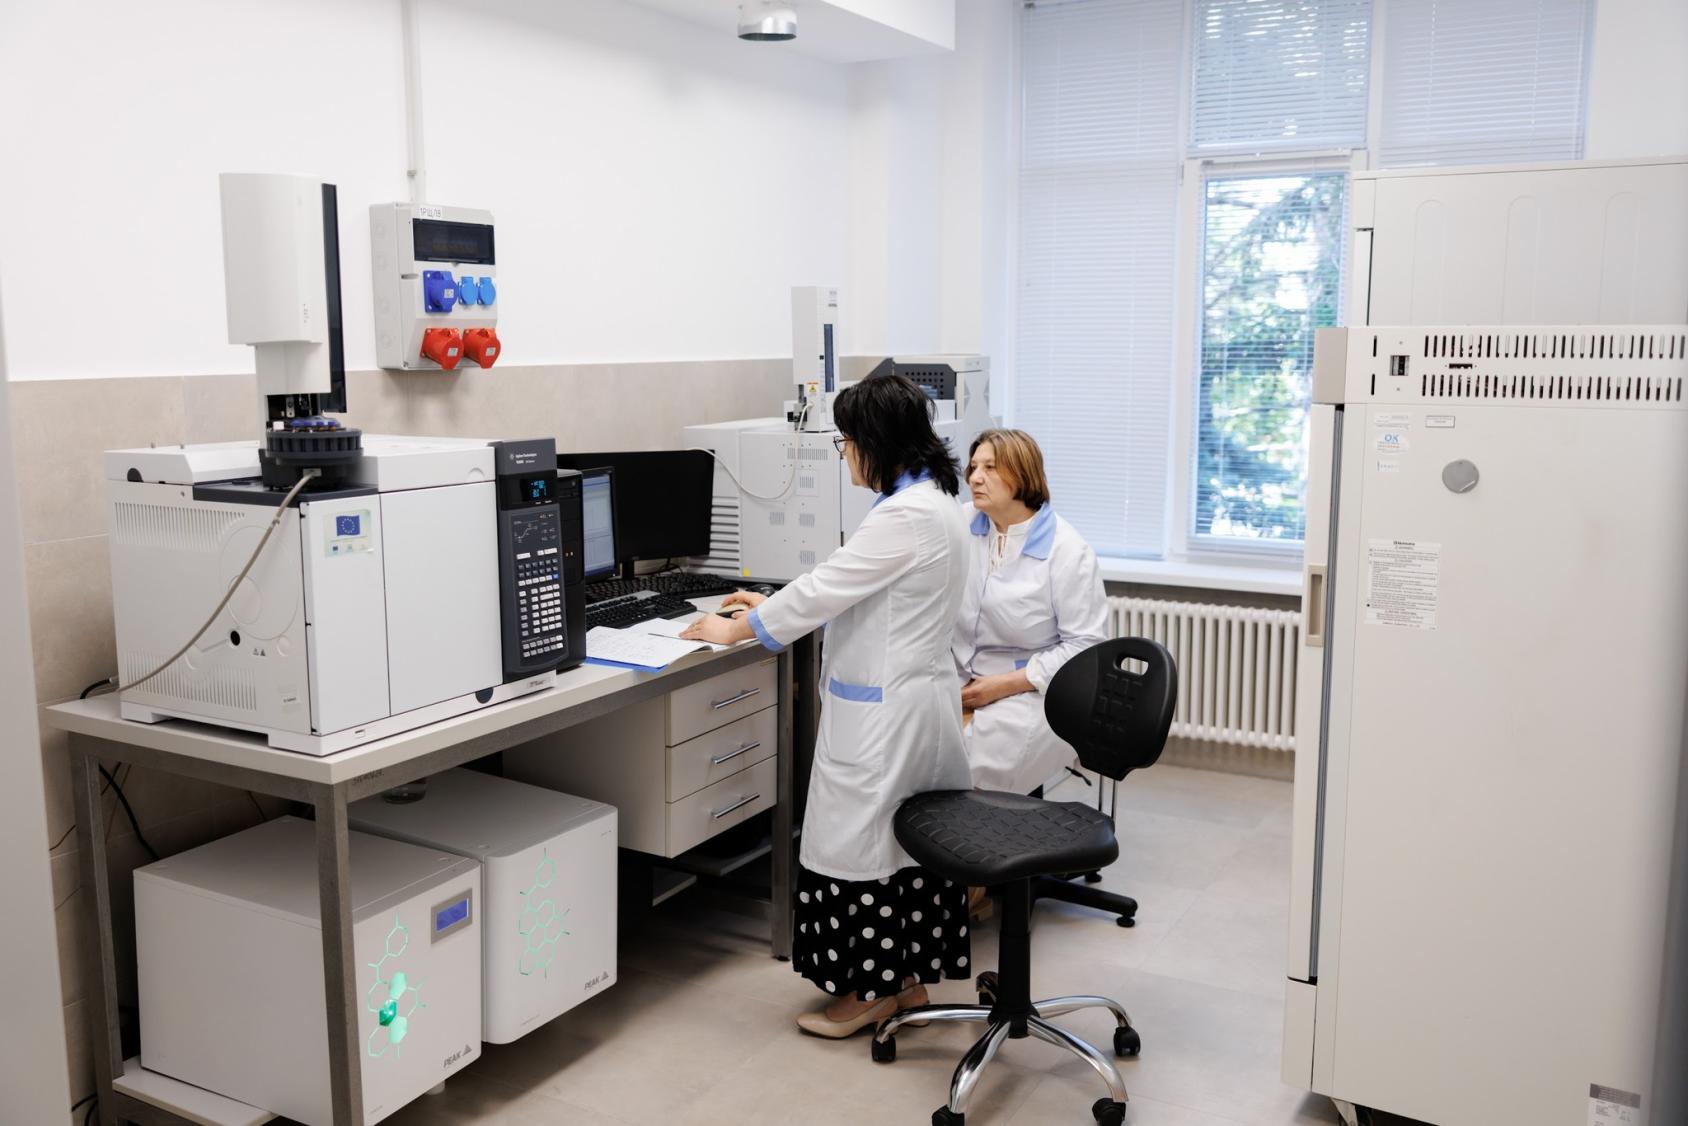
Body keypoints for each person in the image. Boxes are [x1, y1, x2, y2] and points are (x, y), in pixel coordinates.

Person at [680, 374, 974, 1039]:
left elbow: (827, 587)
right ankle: (906, 985)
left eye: (845, 442)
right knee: (901, 855)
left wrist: (736, 628)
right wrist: (769, 606)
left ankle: (866, 994)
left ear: (874, 443)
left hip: (885, 721)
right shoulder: (931, 504)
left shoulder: (905, 516)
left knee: (858, 851)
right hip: (914, 706)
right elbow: (850, 589)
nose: (842, 456)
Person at [954, 428, 1107, 797]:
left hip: (1032, 690)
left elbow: (1085, 647)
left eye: (990, 468)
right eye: (974, 466)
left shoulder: (1067, 550)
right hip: (959, 680)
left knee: (979, 767)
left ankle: (995, 845)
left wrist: (1001, 686)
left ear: (1022, 475)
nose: (975, 477)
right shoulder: (959, 525)